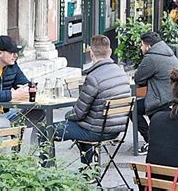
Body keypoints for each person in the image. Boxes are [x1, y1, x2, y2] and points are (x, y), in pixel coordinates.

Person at [38, 35, 131, 167]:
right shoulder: (122, 74)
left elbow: (79, 113)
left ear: (91, 54)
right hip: (116, 130)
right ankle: (88, 171)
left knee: (45, 129)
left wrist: (67, 116)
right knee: (81, 124)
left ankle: (46, 171)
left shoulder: (93, 78)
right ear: (109, 52)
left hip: (96, 132)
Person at [134, 32, 178, 155]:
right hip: (174, 99)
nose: (141, 48)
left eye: (142, 45)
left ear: (149, 46)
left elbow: (138, 78)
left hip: (160, 101)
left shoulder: (151, 58)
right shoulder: (170, 54)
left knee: (132, 108)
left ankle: (149, 140)